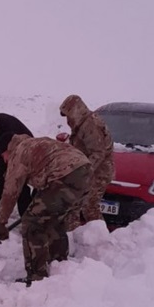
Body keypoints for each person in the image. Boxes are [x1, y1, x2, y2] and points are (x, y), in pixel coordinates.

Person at [0, 133, 92, 285]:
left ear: (9, 150)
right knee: (55, 220)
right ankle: (60, 265)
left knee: (32, 222)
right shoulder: (39, 143)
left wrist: (0, 222)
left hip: (65, 175)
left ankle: (36, 276)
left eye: (3, 156)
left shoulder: (19, 152)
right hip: (85, 171)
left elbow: (10, 192)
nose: (4, 160)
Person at [58, 95, 114, 231]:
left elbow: (98, 153)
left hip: (98, 172)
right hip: (87, 171)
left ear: (76, 111)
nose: (67, 120)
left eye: (68, 115)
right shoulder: (81, 124)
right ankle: (74, 236)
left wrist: (82, 172)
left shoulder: (91, 125)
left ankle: (99, 239)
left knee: (89, 205)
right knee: (73, 204)